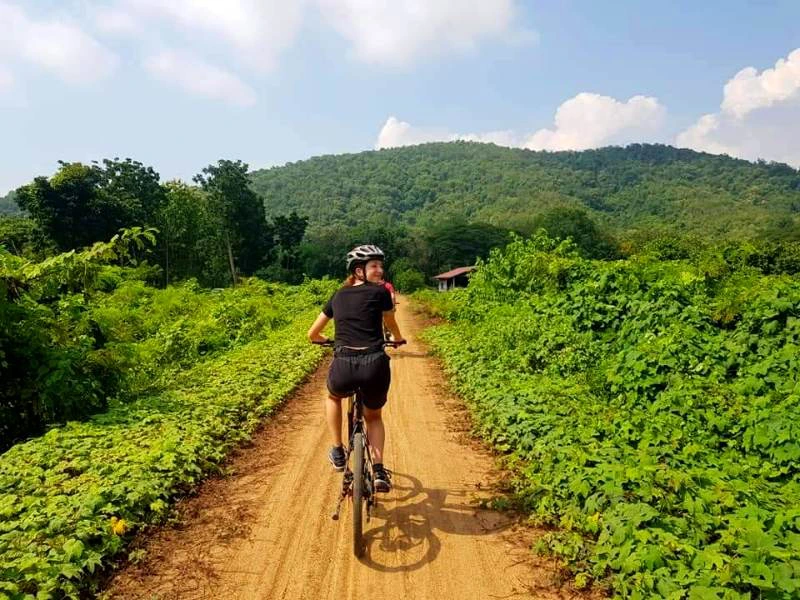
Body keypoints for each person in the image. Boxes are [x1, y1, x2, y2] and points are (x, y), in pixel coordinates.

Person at [307, 244, 405, 492]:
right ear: (359, 271)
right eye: (374, 266)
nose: (380, 270)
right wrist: (397, 338)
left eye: (381, 266)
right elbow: (390, 321)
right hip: (374, 365)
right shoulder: (381, 292)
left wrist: (324, 340)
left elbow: (312, 333)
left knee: (333, 397)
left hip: (344, 365)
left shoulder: (338, 295)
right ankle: (379, 470)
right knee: (374, 417)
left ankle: (337, 450)